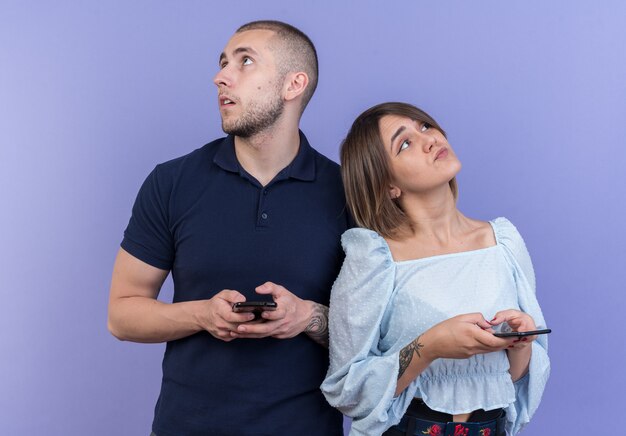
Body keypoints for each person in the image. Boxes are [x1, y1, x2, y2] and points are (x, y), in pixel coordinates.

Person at [107, 20, 349, 436]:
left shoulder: (348, 192)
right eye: (223, 63)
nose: (220, 77)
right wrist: (202, 314)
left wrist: (308, 317)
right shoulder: (172, 182)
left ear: (293, 85)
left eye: (245, 62)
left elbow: (381, 336)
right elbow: (122, 314)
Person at [321, 102, 550, 436]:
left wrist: (521, 343)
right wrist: (431, 346)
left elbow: (512, 381)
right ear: (388, 185)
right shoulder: (374, 259)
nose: (429, 139)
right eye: (405, 143)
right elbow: (349, 390)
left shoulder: (503, 242)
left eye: (425, 127)